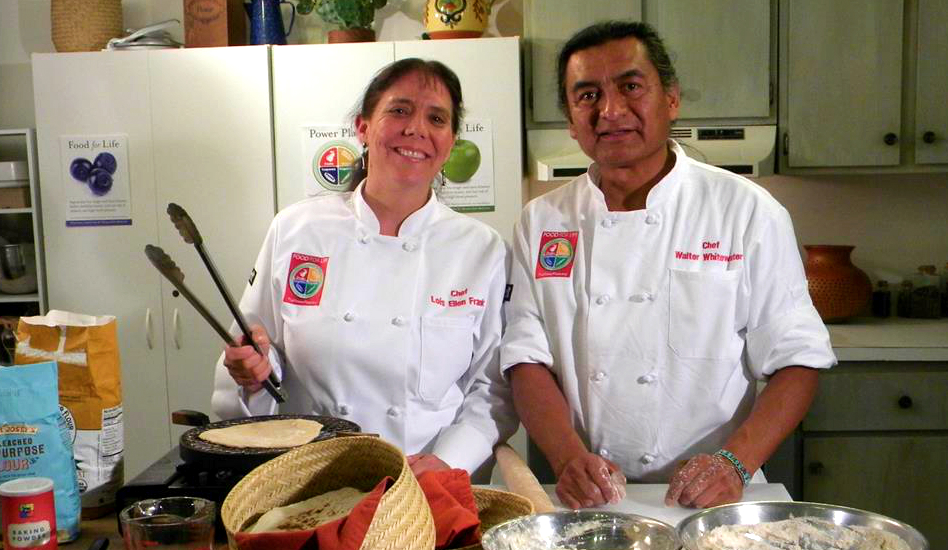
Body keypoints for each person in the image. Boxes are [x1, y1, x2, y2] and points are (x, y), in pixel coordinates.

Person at [501, 21, 836, 510]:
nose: (610, 110)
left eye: (631, 86)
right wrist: (568, 456)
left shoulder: (745, 210)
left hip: (714, 494)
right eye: (587, 95)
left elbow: (798, 359)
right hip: (589, 493)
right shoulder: (542, 221)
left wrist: (734, 464)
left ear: (671, 100)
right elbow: (525, 358)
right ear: (572, 122)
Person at [212, 58, 517, 477]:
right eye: (399, 110)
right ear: (363, 128)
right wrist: (252, 371)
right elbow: (257, 348)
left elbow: (492, 388)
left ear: (449, 143)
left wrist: (448, 461)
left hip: (424, 483)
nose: (417, 129)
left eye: (437, 118)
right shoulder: (297, 230)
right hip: (309, 475)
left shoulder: (482, 250)